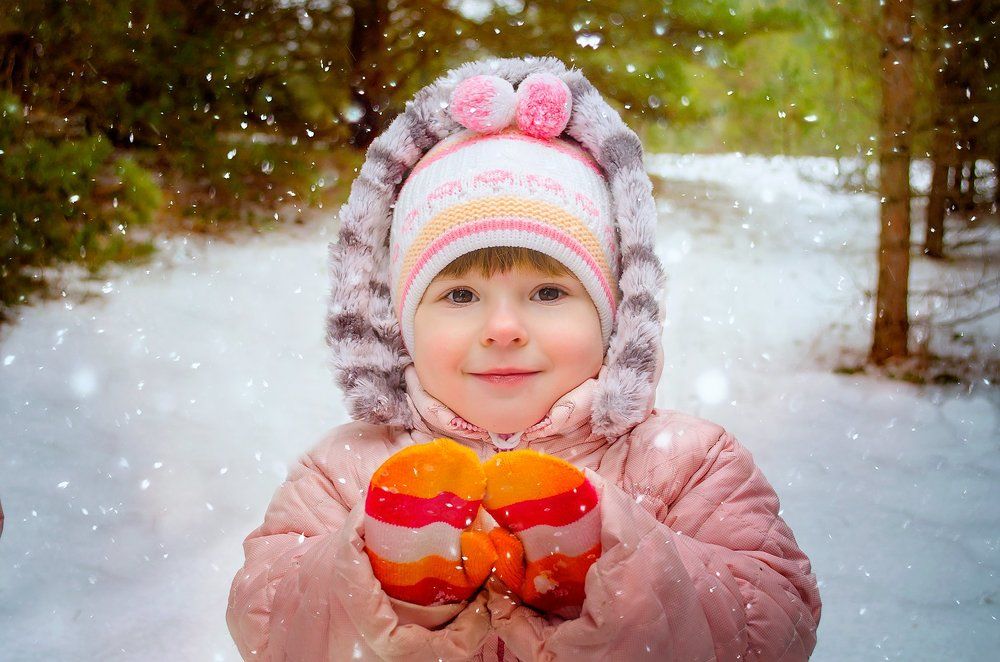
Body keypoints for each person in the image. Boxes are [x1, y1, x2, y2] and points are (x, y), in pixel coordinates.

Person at [227, 55, 821, 661]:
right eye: (460, 295)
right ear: (399, 327)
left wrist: (612, 559)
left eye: (548, 293)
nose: (504, 328)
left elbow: (775, 624)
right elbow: (268, 620)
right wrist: (383, 568)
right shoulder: (344, 473)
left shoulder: (688, 468)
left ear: (615, 316)